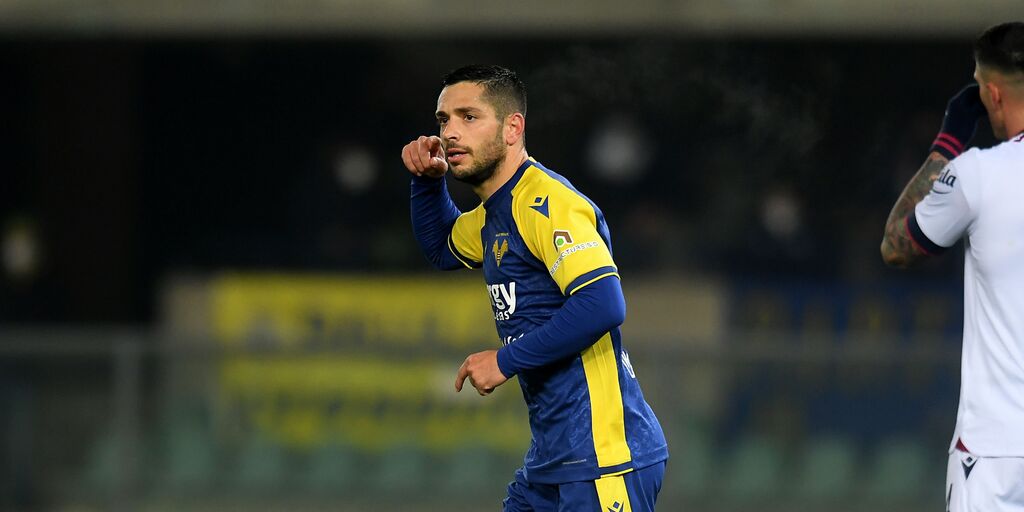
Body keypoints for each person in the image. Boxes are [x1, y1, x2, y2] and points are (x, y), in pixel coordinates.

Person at [402, 65, 668, 511]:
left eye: (469, 117)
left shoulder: (547, 202)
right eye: (443, 120)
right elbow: (443, 247)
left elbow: (603, 303)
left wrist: (504, 361)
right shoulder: (496, 213)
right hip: (554, 460)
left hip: (604, 456)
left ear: (512, 128)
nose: (450, 133)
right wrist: (427, 182)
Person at [881, 22, 1024, 511]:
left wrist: (948, 141)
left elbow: (896, 245)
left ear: (992, 94)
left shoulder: (978, 173)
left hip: (995, 448)